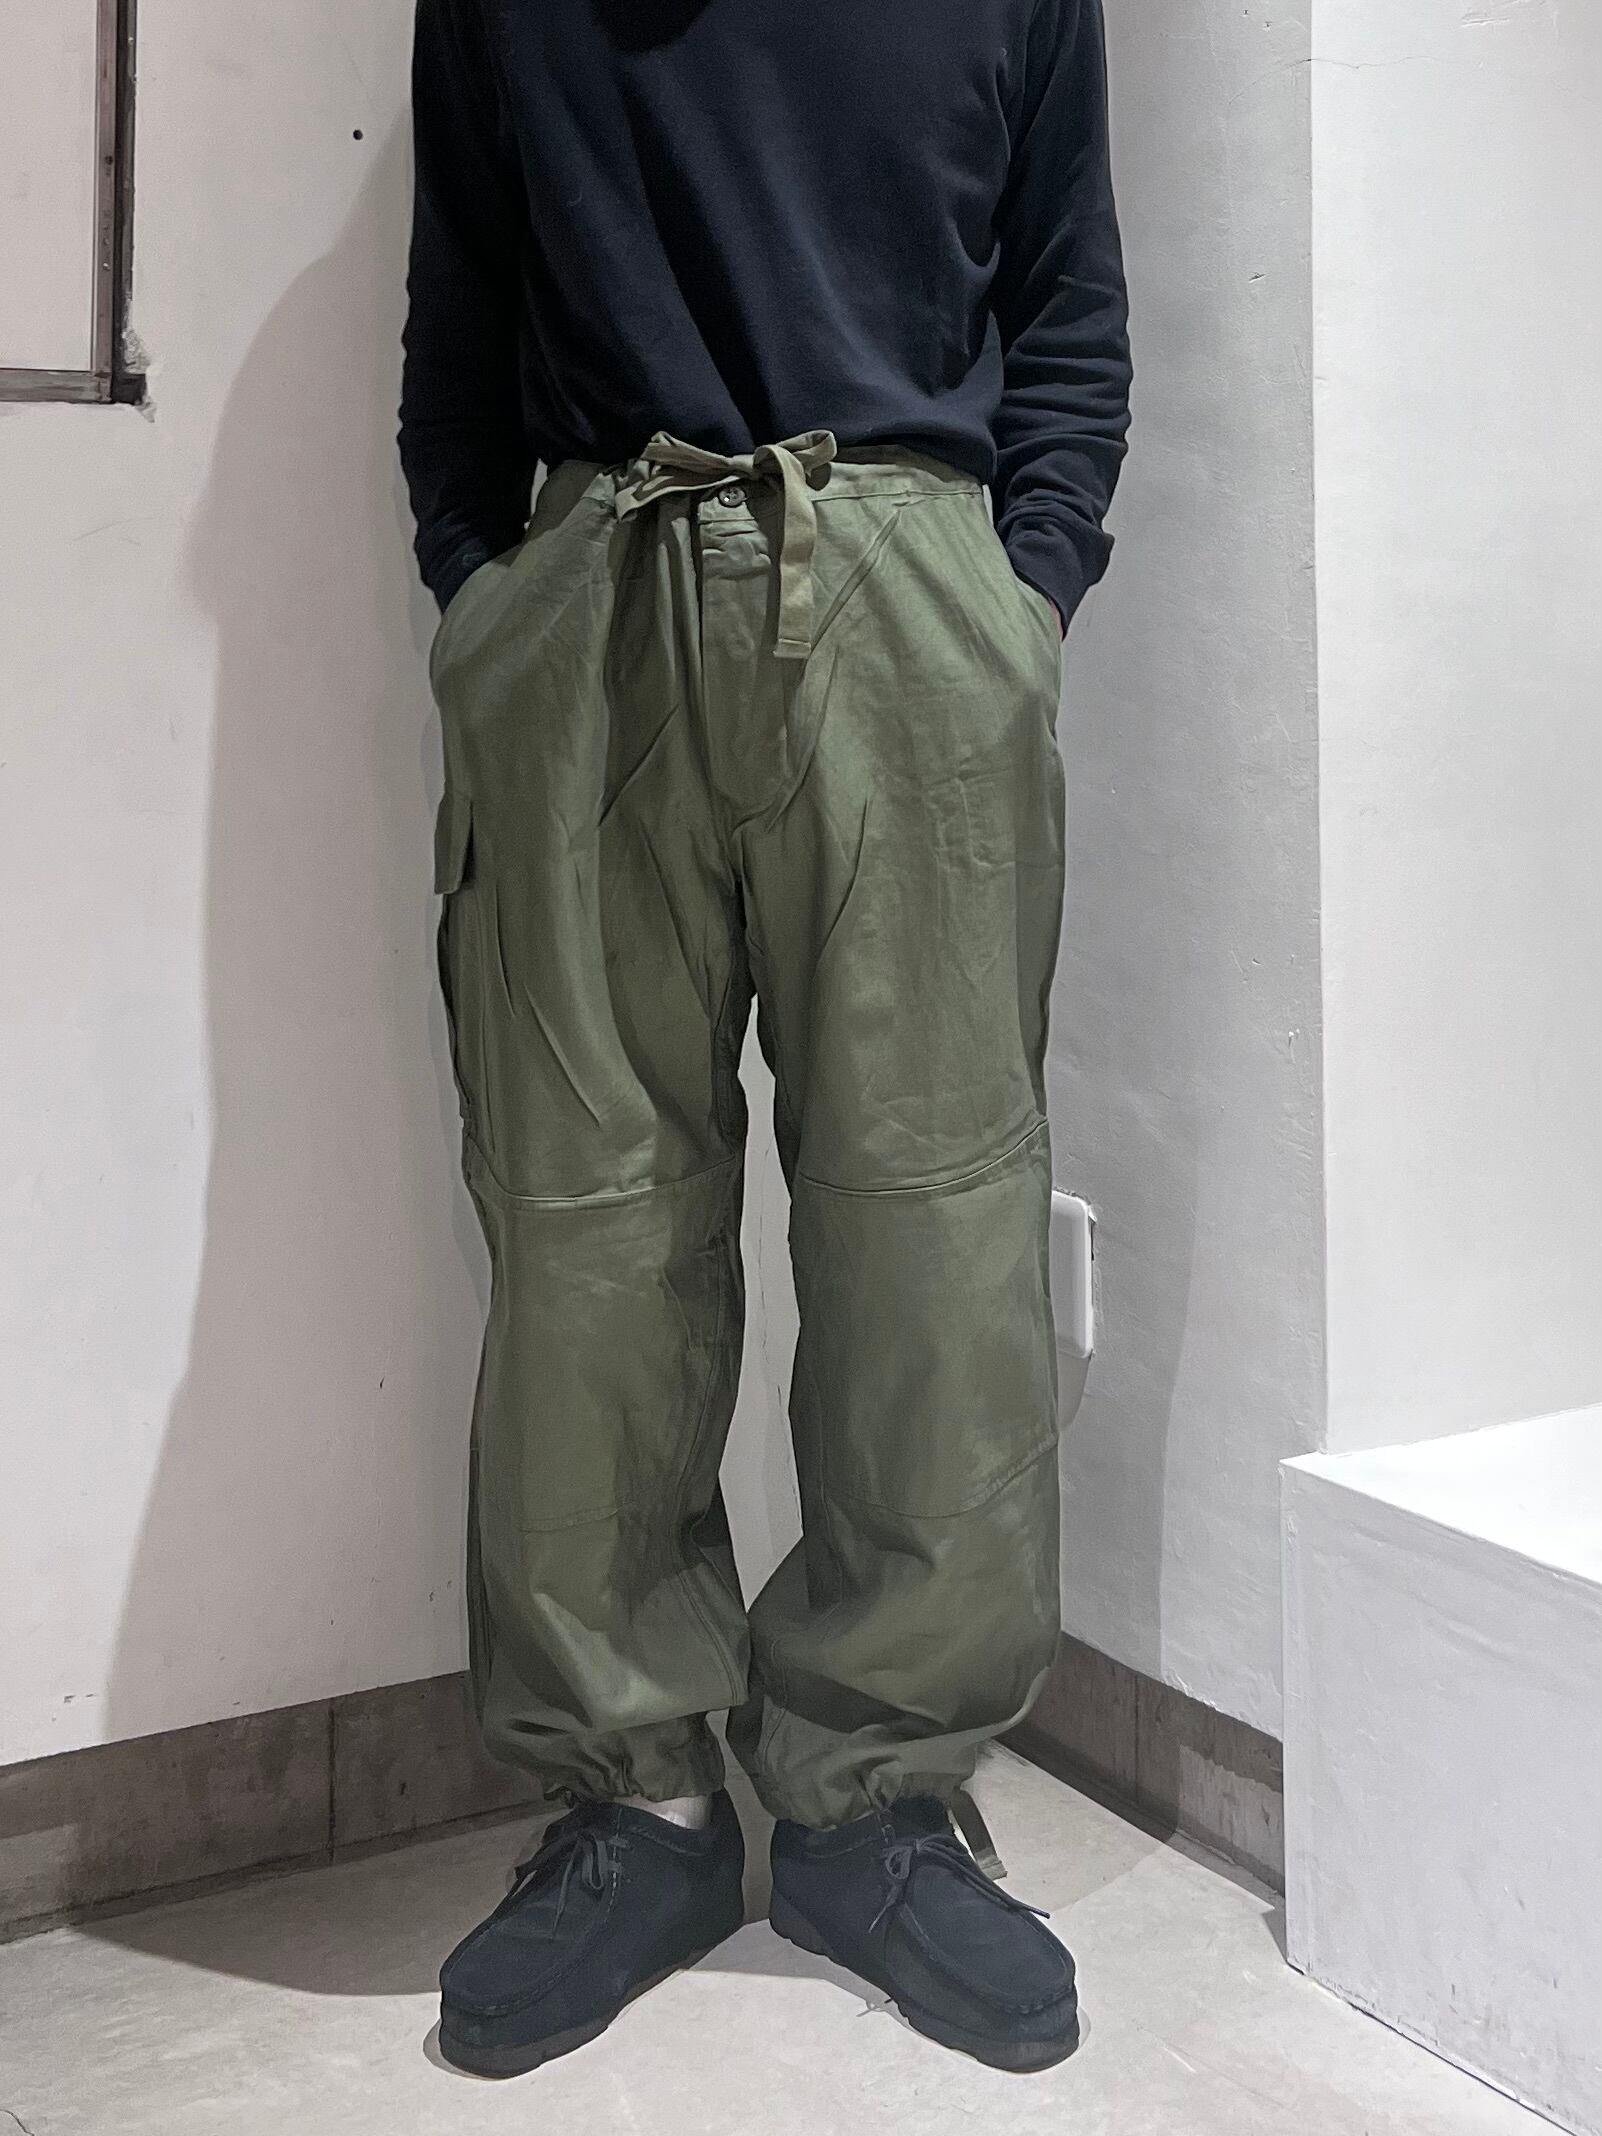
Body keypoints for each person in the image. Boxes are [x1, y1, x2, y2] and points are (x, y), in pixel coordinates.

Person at [399, 0, 1131, 2080]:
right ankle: (633, 1800)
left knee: (933, 1232)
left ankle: (873, 1806)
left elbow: (1068, 302)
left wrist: (1022, 600)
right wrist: (488, 600)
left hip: (912, 605)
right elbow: (460, 315)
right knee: (585, 1230)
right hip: (592, 594)